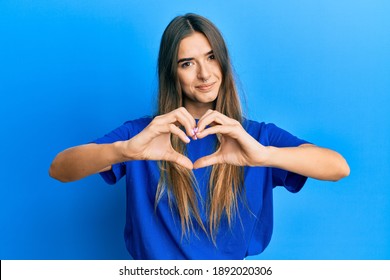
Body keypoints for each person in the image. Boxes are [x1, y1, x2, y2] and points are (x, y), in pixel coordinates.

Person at [49, 13, 350, 260]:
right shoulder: (143, 136)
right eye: (187, 63)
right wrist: (124, 150)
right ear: (172, 74)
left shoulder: (255, 136)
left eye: (211, 58)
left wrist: (264, 155)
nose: (205, 74)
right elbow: (60, 168)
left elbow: (338, 167)